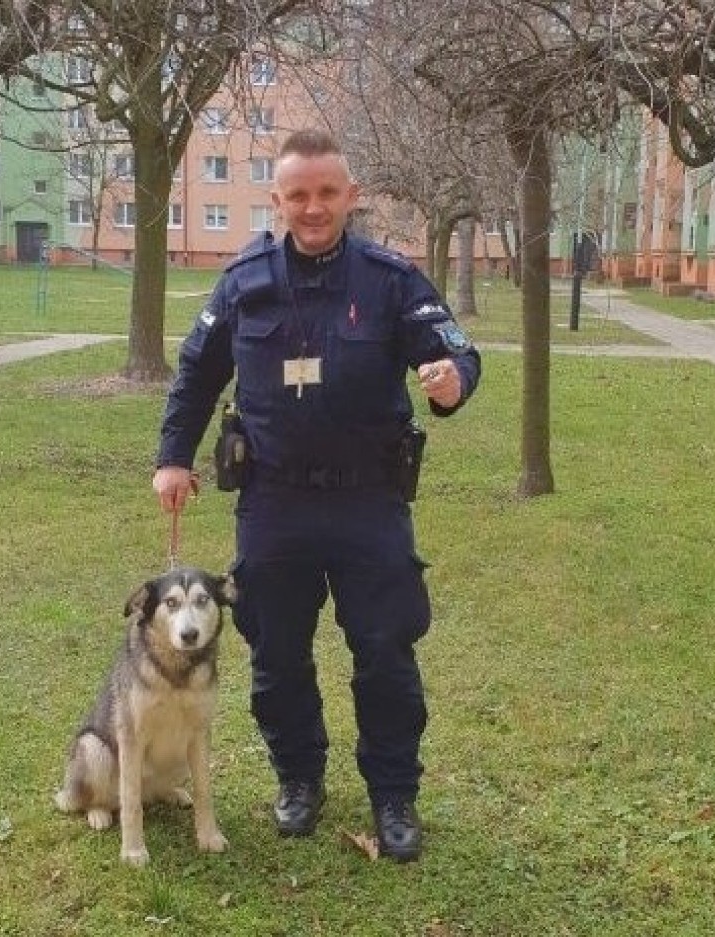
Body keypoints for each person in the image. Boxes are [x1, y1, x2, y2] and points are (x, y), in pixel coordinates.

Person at [152, 129, 481, 862]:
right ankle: (299, 777)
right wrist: (173, 456)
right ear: (278, 199)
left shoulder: (390, 279)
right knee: (276, 654)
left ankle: (394, 792)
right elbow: (198, 370)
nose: (312, 207)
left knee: (385, 649)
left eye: (327, 192)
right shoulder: (244, 280)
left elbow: (453, 349)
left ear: (350, 197)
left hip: (369, 502)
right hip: (275, 503)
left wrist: (452, 382)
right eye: (297, 194)